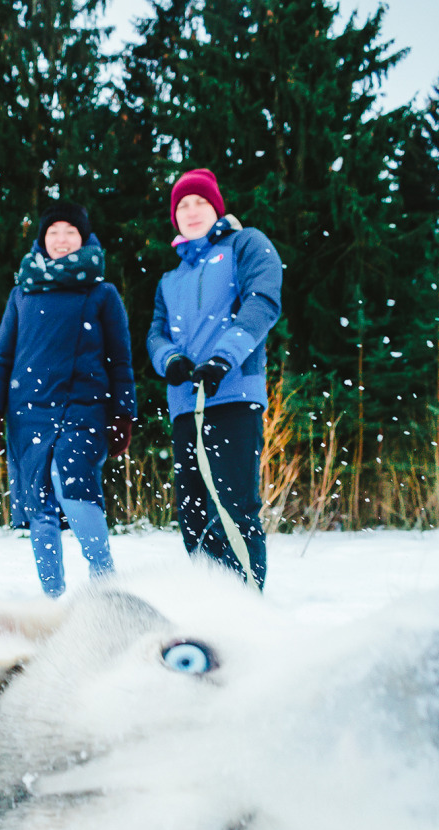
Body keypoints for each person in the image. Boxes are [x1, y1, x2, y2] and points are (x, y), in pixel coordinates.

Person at [0, 201, 136, 598]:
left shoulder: (102, 294)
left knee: (72, 484)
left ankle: (106, 585)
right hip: (27, 411)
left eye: (70, 232)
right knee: (40, 505)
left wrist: (123, 414)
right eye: (54, 232)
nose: (62, 239)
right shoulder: (22, 293)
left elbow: (120, 360)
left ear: (83, 239)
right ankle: (53, 600)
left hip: (82, 407)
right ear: (42, 240)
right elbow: (3, 357)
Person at [147, 168, 282, 590]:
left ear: (216, 208)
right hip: (186, 404)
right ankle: (209, 609)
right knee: (192, 514)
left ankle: (245, 607)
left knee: (233, 508)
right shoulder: (170, 279)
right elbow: (156, 333)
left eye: (200, 202)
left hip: (233, 395)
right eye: (182, 205)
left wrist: (225, 357)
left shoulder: (245, 244)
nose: (191, 211)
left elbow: (264, 301)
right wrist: (169, 360)